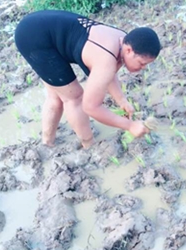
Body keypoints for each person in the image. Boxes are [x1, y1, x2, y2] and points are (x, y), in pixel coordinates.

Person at [14, 10, 161, 148]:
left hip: (41, 26)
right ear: (129, 50)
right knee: (74, 98)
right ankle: (88, 145)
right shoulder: (106, 60)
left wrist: (122, 100)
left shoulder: (123, 41)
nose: (143, 68)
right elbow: (90, 107)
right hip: (35, 38)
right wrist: (130, 125)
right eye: (142, 63)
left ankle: (47, 144)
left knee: (57, 96)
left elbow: (108, 75)